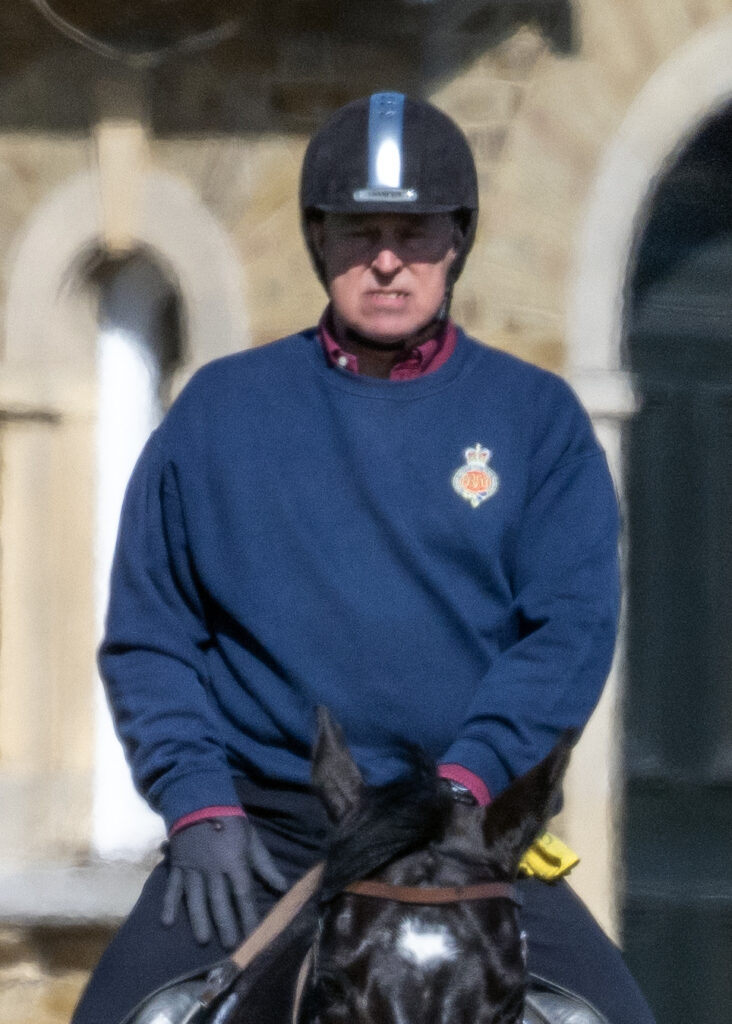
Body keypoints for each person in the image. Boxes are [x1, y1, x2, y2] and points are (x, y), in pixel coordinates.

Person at [71, 92, 655, 1024]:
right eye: (359, 231)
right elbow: (152, 638)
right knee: (115, 1015)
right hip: (264, 835)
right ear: (316, 240)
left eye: (415, 231)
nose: (388, 259)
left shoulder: (536, 422)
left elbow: (569, 633)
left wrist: (472, 784)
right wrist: (196, 806)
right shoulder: (217, 415)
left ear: (456, 241)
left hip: (467, 830)